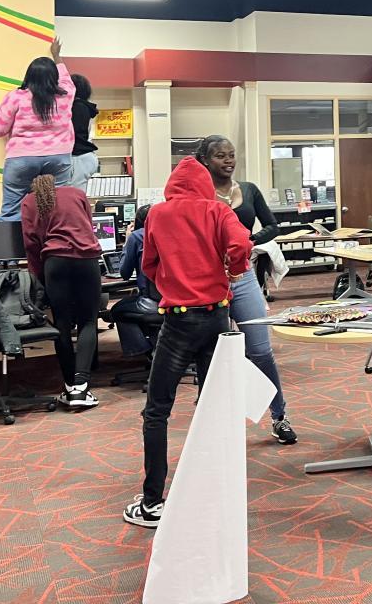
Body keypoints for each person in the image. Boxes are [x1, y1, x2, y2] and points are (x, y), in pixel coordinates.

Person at [126, 156, 252, 528]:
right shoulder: (218, 210)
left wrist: (171, 279)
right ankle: (215, 490)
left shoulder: (158, 214)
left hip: (178, 321)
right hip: (217, 317)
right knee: (215, 405)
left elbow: (148, 265)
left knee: (157, 410)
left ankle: (152, 502)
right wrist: (234, 270)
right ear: (204, 184)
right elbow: (241, 243)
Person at [193, 135, 295, 445]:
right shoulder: (197, 194)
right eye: (220, 155)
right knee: (211, 355)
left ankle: (279, 416)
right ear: (205, 160)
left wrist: (248, 242)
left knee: (260, 351)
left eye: (231, 154)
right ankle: (213, 422)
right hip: (209, 279)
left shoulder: (249, 190)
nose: (228, 160)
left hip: (244, 275)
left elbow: (272, 226)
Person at [20, 174, 102, 408]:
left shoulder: (29, 201)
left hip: (55, 262)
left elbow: (31, 243)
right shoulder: (77, 194)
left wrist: (38, 278)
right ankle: (81, 388)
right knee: (88, 321)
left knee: (62, 324)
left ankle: (68, 386)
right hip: (87, 260)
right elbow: (88, 226)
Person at [0, 37, 75, 221]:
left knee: (12, 211)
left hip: (22, 159)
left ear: (28, 76)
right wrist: (57, 56)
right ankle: (54, 238)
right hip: (59, 157)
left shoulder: (17, 97)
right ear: (55, 77)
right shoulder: (66, 94)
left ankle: (12, 241)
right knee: (58, 209)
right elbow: (66, 78)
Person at [113, 205, 160, 357]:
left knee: (117, 310)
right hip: (176, 301)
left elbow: (124, 273)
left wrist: (128, 240)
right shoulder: (171, 234)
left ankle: (143, 349)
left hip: (152, 302)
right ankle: (154, 347)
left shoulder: (137, 236)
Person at [69, 73, 99, 192]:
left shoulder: (77, 107)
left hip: (78, 156)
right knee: (76, 194)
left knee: (74, 195)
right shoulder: (86, 108)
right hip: (85, 156)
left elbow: (74, 133)